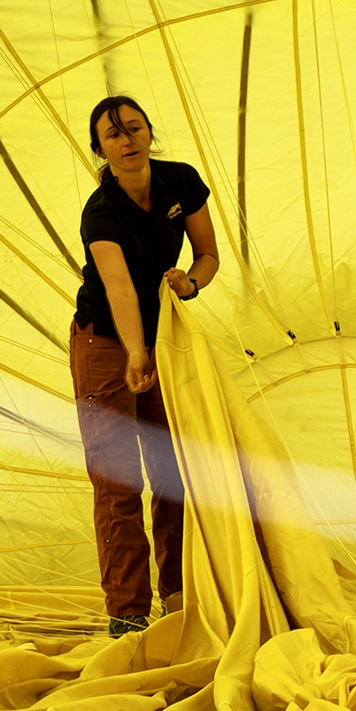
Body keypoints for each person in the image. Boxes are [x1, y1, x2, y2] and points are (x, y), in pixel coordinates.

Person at [70, 95, 219, 636]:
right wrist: (136, 352)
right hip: (107, 341)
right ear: (100, 150)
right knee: (118, 479)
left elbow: (207, 255)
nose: (127, 140)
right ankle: (128, 613)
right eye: (114, 135)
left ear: (150, 133)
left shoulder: (181, 181)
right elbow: (119, 288)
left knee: (172, 470)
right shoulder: (101, 211)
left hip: (163, 337)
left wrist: (192, 282)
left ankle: (178, 598)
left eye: (134, 128)